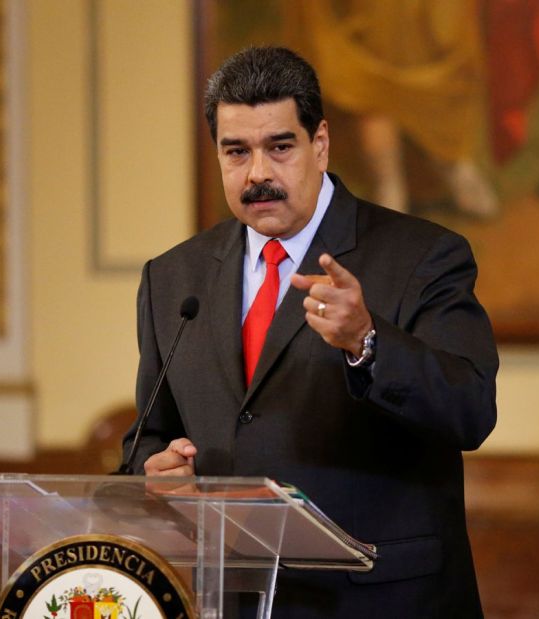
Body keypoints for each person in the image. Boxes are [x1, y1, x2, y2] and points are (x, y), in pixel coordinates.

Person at [122, 46, 498, 618]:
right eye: (236, 152)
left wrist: (368, 341)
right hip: (230, 599)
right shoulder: (173, 278)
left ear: (319, 144)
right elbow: (149, 437)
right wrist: (153, 468)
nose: (258, 174)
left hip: (380, 601)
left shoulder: (423, 256)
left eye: (280, 147)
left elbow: (471, 411)